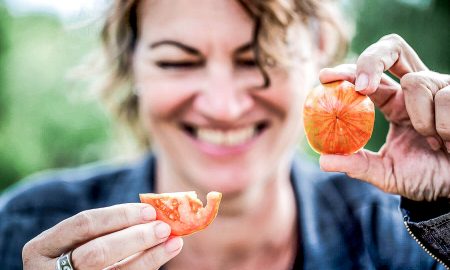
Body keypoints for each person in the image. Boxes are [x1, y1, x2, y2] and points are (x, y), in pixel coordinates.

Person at [1, 0, 449, 269]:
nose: (223, 106)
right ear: (129, 65)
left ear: (319, 58)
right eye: (177, 61)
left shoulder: (400, 237)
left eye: (259, 59)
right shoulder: (23, 231)